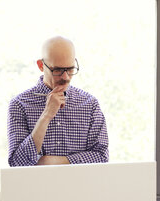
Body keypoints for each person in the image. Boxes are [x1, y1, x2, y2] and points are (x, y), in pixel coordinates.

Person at [7, 36, 109, 166]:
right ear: (41, 65)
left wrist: (55, 161)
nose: (66, 77)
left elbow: (102, 156)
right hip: (37, 186)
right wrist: (46, 116)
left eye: (70, 69)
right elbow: (17, 163)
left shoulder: (90, 104)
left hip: (81, 186)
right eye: (58, 70)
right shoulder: (19, 105)